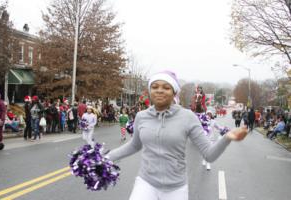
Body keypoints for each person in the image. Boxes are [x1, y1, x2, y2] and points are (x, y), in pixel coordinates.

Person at [106, 71, 248, 200]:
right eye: (155, 87)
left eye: (166, 87)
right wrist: (107, 157)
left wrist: (227, 138)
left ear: (174, 92)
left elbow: (209, 155)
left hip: (176, 189)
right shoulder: (141, 116)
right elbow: (134, 145)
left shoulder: (188, 117)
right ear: (150, 91)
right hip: (146, 183)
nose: (159, 90)